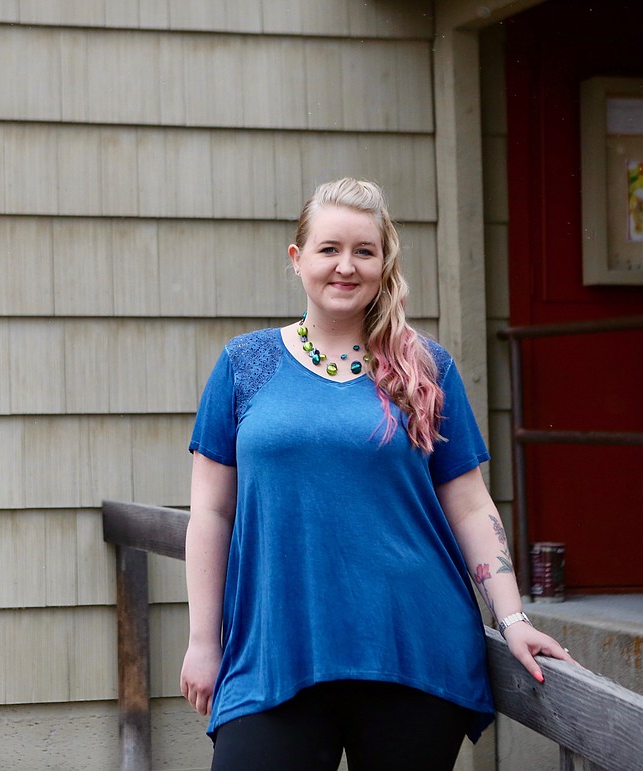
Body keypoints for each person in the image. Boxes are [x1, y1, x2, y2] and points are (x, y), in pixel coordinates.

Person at [180, 178, 575, 770]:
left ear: (384, 261)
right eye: (329, 249)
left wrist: (513, 618)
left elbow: (469, 504)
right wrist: (203, 641)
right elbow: (210, 512)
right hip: (275, 649)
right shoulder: (244, 365)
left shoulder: (426, 367)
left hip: (413, 648)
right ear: (298, 259)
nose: (346, 266)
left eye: (364, 251)